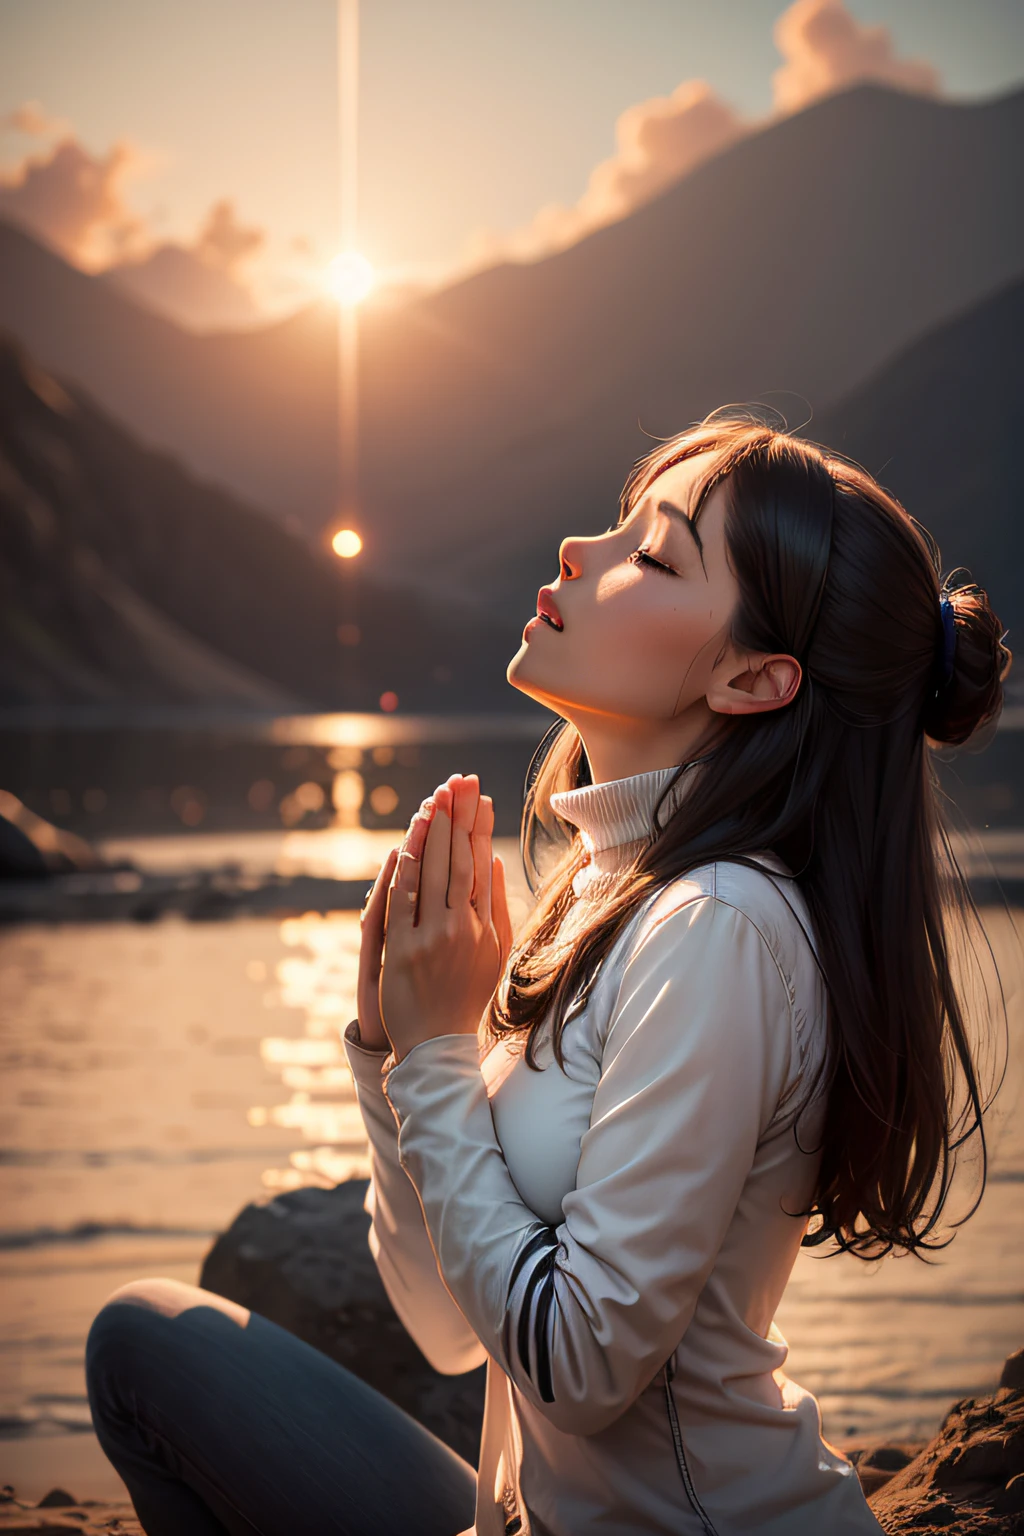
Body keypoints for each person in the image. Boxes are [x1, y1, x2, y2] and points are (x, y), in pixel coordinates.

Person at [86, 411, 1011, 1535]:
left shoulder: (719, 926)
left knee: (142, 1349)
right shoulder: (595, 895)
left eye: (655, 555)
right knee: (147, 1343)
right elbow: (446, 1326)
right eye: (622, 529)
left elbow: (574, 1367)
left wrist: (439, 1059)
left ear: (754, 680)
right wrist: (392, 1051)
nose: (585, 552)